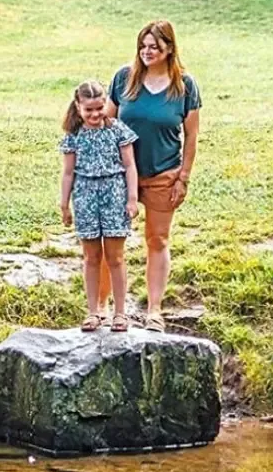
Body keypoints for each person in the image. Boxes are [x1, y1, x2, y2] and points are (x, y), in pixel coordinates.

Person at [108, 21, 202, 332]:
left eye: (154, 47)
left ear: (169, 49)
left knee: (157, 239)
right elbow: (105, 121)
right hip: (121, 175)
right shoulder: (124, 78)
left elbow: (191, 136)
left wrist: (183, 177)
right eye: (143, 47)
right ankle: (105, 309)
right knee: (112, 241)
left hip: (164, 172)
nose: (147, 52)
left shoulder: (184, 86)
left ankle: (155, 310)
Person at [60, 80, 139, 333]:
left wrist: (132, 198)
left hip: (114, 195)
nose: (95, 114)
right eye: (89, 110)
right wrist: (64, 204)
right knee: (91, 256)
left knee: (115, 257)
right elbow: (68, 173)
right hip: (85, 197)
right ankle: (93, 311)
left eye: (99, 108)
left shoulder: (118, 130)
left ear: (106, 104)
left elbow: (130, 166)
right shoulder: (73, 135)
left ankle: (120, 313)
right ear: (78, 107)